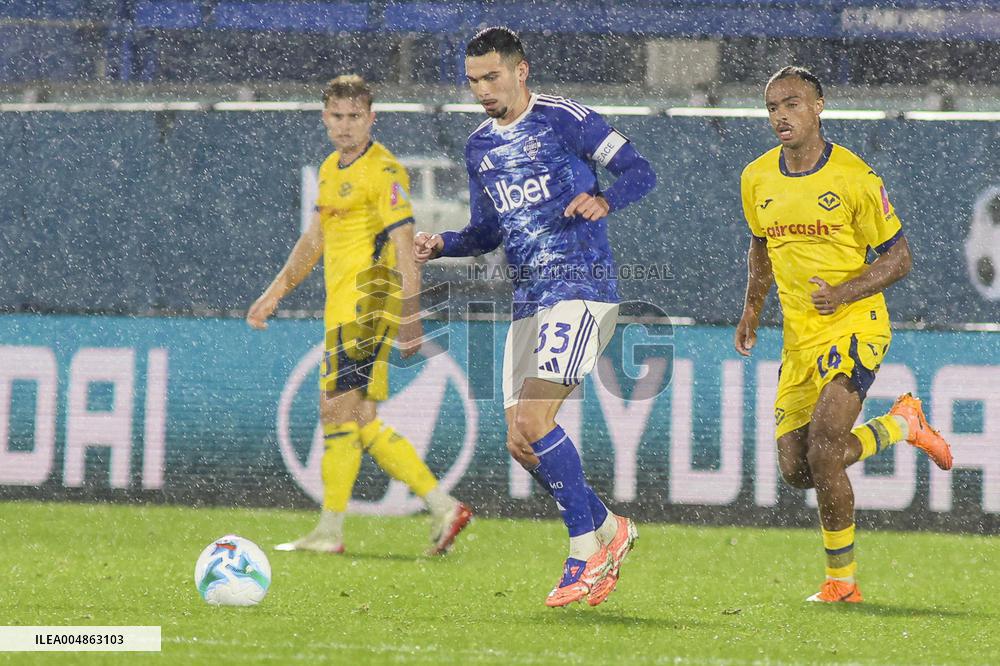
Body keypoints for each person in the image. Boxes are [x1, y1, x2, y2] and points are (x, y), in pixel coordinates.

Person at [414, 27, 656, 607]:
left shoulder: (565, 119)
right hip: (528, 303)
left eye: (491, 77)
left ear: (521, 71)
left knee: (534, 421)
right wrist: (441, 243)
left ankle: (584, 555)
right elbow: (486, 233)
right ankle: (609, 528)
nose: (481, 90)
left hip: (581, 288)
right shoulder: (479, 147)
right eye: (472, 81)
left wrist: (605, 200)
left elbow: (641, 171)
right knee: (521, 443)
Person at [735, 66, 953, 603]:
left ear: (818, 107)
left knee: (826, 447)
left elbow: (900, 258)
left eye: (791, 104)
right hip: (800, 339)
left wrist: (846, 293)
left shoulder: (855, 177)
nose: (780, 116)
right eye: (772, 108)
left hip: (856, 325)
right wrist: (751, 310)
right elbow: (761, 246)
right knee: (797, 469)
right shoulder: (757, 178)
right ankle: (902, 425)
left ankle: (842, 583)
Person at [247, 74, 472, 557]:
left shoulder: (384, 171)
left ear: (371, 118)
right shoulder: (331, 168)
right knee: (359, 417)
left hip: (367, 307)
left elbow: (406, 248)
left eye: (354, 117)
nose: (345, 126)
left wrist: (411, 318)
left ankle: (331, 530)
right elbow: (313, 242)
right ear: (325, 118)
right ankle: (440, 504)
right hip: (344, 307)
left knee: (335, 410)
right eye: (337, 116)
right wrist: (275, 292)